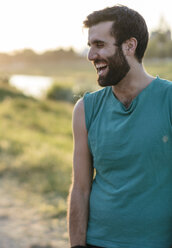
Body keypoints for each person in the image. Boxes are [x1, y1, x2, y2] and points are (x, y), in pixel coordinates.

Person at [68, 5, 172, 248]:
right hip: (98, 242)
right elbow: (80, 189)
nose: (91, 55)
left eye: (100, 44)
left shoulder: (168, 100)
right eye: (90, 45)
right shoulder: (85, 109)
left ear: (129, 46)